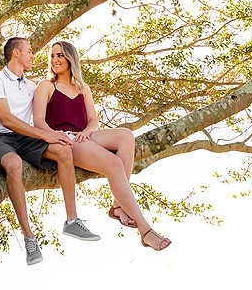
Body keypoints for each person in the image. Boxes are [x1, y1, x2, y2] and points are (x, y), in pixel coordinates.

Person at [32, 40, 172, 251]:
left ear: (70, 58)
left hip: (83, 136)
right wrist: (56, 136)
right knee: (114, 163)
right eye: (52, 56)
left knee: (125, 135)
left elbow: (93, 120)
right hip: (63, 140)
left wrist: (87, 133)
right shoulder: (46, 86)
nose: (54, 60)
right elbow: (38, 121)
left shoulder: (82, 88)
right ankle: (146, 231)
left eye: (59, 55)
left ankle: (117, 205)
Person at [0, 36, 101, 266]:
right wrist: (47, 135)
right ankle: (29, 238)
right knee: (14, 165)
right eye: (29, 51)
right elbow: (6, 119)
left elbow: (42, 116)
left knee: (65, 149)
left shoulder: (32, 86)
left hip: (26, 138)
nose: (32, 55)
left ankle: (71, 220)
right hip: (0, 138)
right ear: (16, 53)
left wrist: (61, 134)